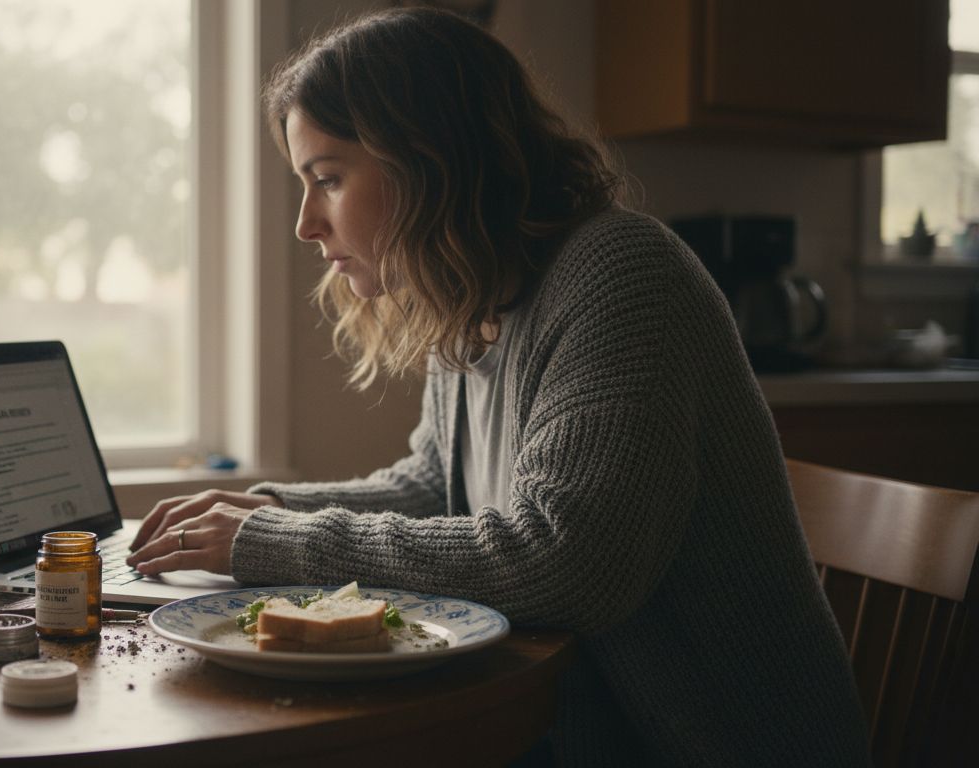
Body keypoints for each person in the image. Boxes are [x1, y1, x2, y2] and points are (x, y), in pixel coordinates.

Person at [127, 7, 870, 766]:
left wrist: (276, 543)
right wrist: (274, 509)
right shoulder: (475, 297)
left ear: (429, 160)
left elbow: (566, 562)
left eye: (327, 179)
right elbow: (431, 486)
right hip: (571, 730)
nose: (307, 225)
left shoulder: (623, 277)